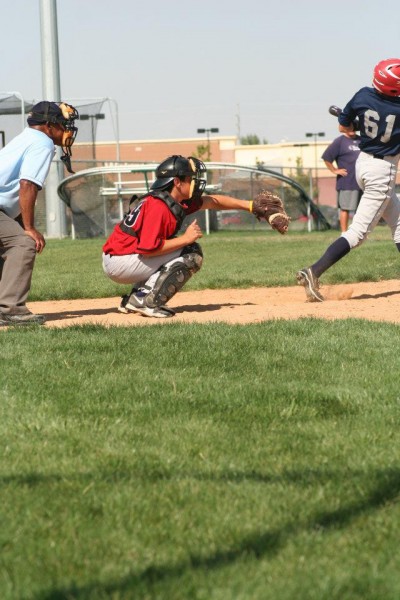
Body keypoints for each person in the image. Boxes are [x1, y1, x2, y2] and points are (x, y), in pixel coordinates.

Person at [103, 154, 276, 318]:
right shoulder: (159, 206)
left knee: (178, 246)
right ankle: (146, 300)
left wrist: (251, 206)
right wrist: (185, 239)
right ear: (177, 182)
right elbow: (149, 250)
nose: (195, 182)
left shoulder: (171, 200)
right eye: (190, 178)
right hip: (121, 262)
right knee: (191, 252)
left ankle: (135, 298)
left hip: (122, 257)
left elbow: (212, 201)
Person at [297, 58, 400, 302]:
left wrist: (356, 126)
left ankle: (314, 271)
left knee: (399, 221)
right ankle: (313, 271)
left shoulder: (363, 95)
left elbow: (344, 126)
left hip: (362, 164)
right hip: (382, 170)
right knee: (358, 233)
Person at [0, 100, 79, 325]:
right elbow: (27, 184)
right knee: (23, 243)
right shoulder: (42, 142)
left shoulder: (25, 137)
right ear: (48, 125)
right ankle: (11, 309)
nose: (67, 130)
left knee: (6, 245)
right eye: (63, 124)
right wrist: (29, 228)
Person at [321, 129, 362, 232]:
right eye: (349, 127)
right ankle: (344, 234)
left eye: (354, 127)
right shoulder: (340, 141)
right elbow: (327, 157)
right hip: (347, 182)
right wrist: (334, 170)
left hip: (362, 182)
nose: (352, 129)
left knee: (361, 210)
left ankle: (358, 233)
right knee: (345, 209)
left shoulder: (362, 140)